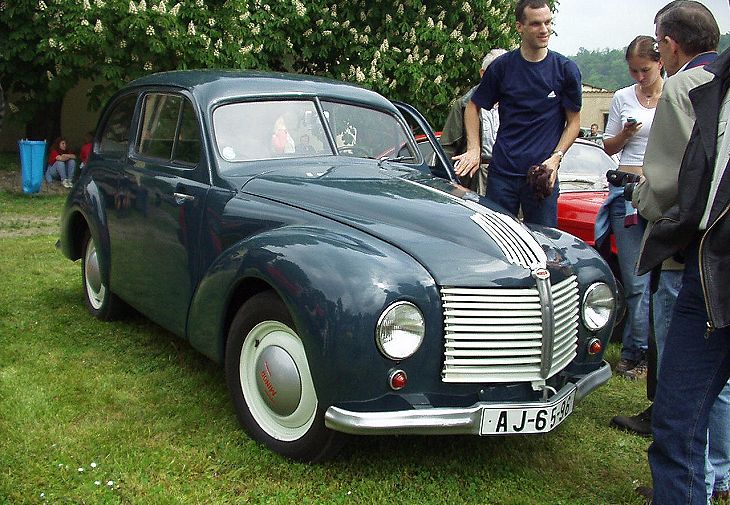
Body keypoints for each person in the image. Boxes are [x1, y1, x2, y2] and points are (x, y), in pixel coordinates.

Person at [619, 3, 729, 503]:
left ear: (669, 43)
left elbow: (667, 182)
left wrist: (638, 198)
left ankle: (694, 482)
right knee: (721, 385)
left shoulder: (686, 86)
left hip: (693, 255)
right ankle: (720, 472)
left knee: (683, 389)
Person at [453, 0, 581, 227]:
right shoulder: (502, 67)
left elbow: (573, 123)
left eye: (548, 22)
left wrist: (556, 157)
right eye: (536, 24)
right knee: (497, 240)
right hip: (502, 173)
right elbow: (473, 107)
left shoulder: (565, 69)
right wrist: (473, 148)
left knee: (544, 242)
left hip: (542, 174)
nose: (544, 30)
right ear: (519, 27)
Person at [597, 35, 663, 380]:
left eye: (645, 70)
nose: (639, 77)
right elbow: (608, 147)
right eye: (634, 71)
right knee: (635, 280)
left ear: (660, 63)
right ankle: (634, 350)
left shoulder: (674, 94)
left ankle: (652, 352)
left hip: (662, 193)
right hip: (626, 192)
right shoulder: (623, 97)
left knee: (663, 281)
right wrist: (625, 134)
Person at [440, 48, 507, 196]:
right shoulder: (464, 105)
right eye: (497, 73)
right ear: (483, 74)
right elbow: (448, 147)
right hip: (475, 177)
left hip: (506, 176)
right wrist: (447, 183)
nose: (502, 79)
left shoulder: (517, 104)